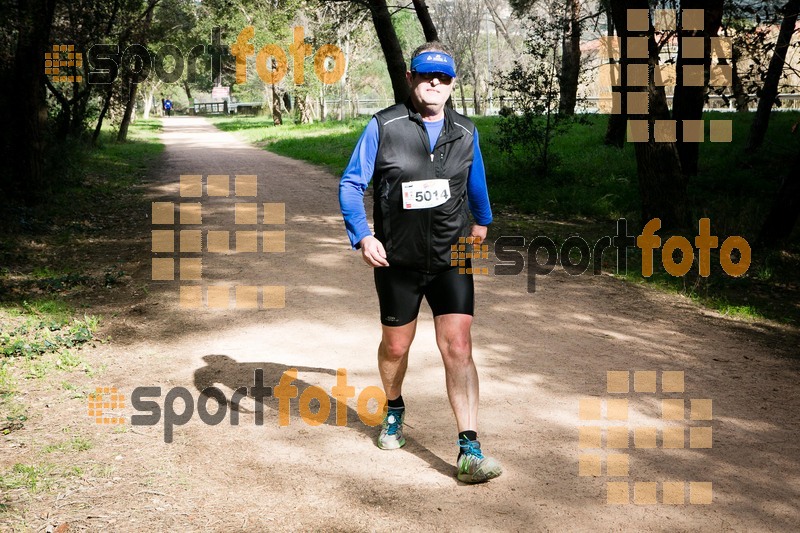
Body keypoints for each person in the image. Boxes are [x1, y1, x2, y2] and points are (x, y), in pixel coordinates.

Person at [339, 42, 502, 483]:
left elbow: (476, 180)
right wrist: (363, 235)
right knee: (396, 345)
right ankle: (394, 409)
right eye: (426, 75)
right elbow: (352, 184)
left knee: (459, 345)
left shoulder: (466, 131)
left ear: (452, 85)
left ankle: (469, 447)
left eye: (444, 77)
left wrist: (482, 223)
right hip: (398, 259)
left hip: (454, 254)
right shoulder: (384, 126)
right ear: (410, 78)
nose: (435, 83)